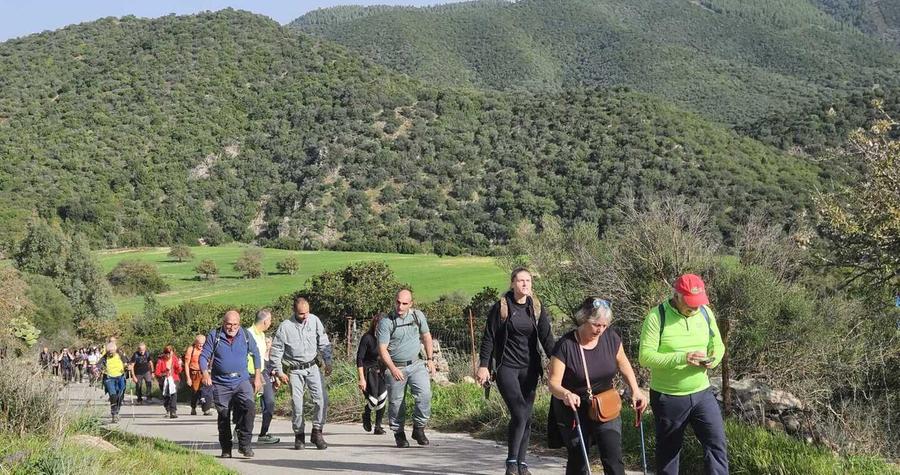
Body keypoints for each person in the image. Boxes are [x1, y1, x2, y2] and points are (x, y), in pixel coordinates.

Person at [638, 274, 728, 475]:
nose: (695, 308)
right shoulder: (656, 316)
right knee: (668, 453)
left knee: (716, 444)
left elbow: (718, 345)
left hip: (702, 393)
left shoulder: (705, 313)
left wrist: (713, 359)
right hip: (668, 397)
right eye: (690, 303)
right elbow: (645, 357)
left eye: (698, 303)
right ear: (677, 296)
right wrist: (682, 358)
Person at [547, 297, 648, 475]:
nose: (600, 330)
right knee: (579, 461)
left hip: (605, 404)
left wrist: (635, 390)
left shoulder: (611, 338)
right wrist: (565, 393)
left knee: (613, 457)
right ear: (584, 319)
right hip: (574, 407)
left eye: (604, 325)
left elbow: (623, 364)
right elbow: (553, 383)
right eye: (596, 325)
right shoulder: (565, 346)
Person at [476, 267, 556, 475]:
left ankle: (521, 463)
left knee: (526, 417)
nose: (525, 284)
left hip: (530, 370)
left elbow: (547, 338)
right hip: (507, 368)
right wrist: (484, 365)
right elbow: (489, 337)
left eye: (528, 281)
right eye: (520, 281)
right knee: (520, 413)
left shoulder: (536, 307)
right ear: (512, 283)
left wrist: (559, 360)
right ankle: (511, 462)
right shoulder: (502, 307)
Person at [270, 297, 333, 450]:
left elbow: (323, 341)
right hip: (295, 370)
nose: (305, 317)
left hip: (312, 367)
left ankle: (317, 431)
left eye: (307, 313)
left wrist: (328, 361)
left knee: (321, 400)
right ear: (294, 311)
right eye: (301, 314)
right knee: (298, 405)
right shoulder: (285, 327)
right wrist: (279, 371)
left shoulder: (314, 320)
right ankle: (299, 435)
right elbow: (277, 350)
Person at [200, 310, 263, 459]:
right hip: (221, 382)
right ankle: (226, 448)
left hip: (242, 380)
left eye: (235, 324)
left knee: (249, 408)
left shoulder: (246, 335)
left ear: (239, 324)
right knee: (224, 415)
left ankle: (245, 444)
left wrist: (258, 377)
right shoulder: (214, 335)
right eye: (229, 324)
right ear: (223, 323)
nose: (232, 327)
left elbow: (256, 355)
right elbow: (204, 356)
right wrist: (205, 373)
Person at [377, 289, 435, 448]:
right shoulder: (386, 322)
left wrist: (430, 359)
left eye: (404, 303)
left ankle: (419, 428)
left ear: (411, 304)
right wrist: (392, 368)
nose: (400, 306)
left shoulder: (417, 316)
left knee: (424, 395)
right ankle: (399, 433)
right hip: (395, 366)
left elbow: (427, 336)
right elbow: (382, 349)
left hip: (416, 364)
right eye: (398, 302)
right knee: (396, 403)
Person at [247, 309, 279, 445]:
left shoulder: (262, 335)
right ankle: (240, 430)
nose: (270, 323)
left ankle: (263, 434)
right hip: (248, 374)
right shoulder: (247, 334)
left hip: (262, 373)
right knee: (247, 405)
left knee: (270, 402)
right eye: (270, 320)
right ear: (265, 321)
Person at [356, 313, 387, 435]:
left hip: (382, 371)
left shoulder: (387, 338)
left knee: (382, 397)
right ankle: (367, 413)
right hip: (368, 371)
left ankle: (378, 426)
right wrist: (361, 379)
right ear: (375, 324)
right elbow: (359, 359)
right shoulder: (367, 338)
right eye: (379, 325)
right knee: (373, 400)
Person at [98, 341, 128, 423]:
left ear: (115, 350)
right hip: (109, 378)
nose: (110, 354)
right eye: (108, 352)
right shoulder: (104, 357)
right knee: (113, 395)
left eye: (112, 352)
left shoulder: (120, 355)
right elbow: (98, 365)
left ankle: (117, 410)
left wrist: (127, 367)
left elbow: (126, 363)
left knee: (120, 395)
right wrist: (99, 369)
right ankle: (114, 414)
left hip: (120, 377)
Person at [184, 334, 212, 415]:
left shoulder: (207, 349)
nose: (201, 345)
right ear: (195, 342)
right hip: (194, 374)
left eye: (202, 343)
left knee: (206, 391)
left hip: (205, 373)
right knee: (195, 392)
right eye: (199, 343)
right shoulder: (191, 349)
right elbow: (186, 364)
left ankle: (206, 409)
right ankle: (193, 407)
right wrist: (188, 378)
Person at [155, 345, 183, 419]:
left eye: (170, 353)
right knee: (166, 396)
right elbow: (157, 373)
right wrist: (165, 373)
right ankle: (167, 408)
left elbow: (178, 371)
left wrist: (179, 366)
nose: (168, 355)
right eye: (166, 353)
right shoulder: (160, 360)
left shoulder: (174, 358)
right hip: (164, 380)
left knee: (174, 393)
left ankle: (173, 411)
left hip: (174, 379)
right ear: (164, 353)